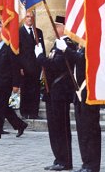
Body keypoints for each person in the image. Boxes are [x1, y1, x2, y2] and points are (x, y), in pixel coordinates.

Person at [35, 16, 75, 171]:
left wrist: (40, 58)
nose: (54, 28)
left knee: (61, 128)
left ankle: (65, 160)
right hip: (52, 92)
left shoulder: (67, 44)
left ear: (64, 27)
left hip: (61, 92)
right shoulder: (56, 45)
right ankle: (59, 158)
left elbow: (56, 65)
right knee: (54, 128)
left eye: (57, 26)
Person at [55, 39, 101, 172]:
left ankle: (92, 164)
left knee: (90, 131)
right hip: (79, 94)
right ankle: (86, 162)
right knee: (83, 132)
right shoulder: (81, 48)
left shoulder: (92, 46)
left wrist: (66, 50)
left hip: (88, 94)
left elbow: (83, 60)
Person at [0, 26, 28, 140]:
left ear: (3, 35)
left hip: (4, 83)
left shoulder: (9, 48)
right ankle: (20, 124)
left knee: (0, 106)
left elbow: (15, 67)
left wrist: (16, 84)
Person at [18, 10, 45, 119]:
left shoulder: (38, 32)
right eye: (27, 16)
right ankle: (24, 112)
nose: (29, 19)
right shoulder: (19, 32)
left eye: (31, 17)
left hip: (36, 66)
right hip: (24, 67)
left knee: (35, 89)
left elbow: (42, 49)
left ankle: (34, 112)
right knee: (25, 89)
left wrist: (43, 65)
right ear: (24, 18)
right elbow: (17, 52)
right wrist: (19, 67)